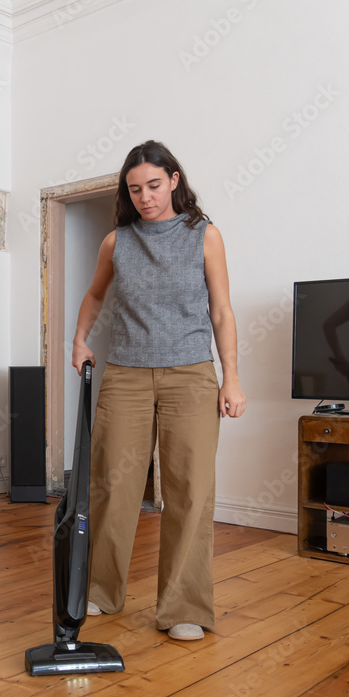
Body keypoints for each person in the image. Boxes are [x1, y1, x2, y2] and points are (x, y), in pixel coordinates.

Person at [71, 139, 246, 641]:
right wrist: (79, 340)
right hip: (125, 376)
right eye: (135, 189)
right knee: (113, 485)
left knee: (190, 489)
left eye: (153, 185)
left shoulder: (204, 235)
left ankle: (184, 607)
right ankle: (101, 589)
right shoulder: (117, 242)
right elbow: (95, 294)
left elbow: (221, 310)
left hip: (190, 375)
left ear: (173, 180)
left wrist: (231, 376)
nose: (145, 197)